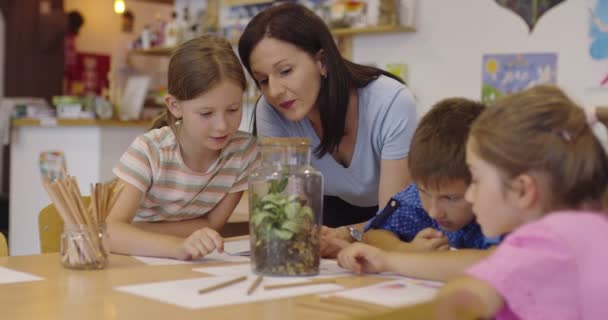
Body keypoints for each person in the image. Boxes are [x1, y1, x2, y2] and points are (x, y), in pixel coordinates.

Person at [237, 3, 418, 242]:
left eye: (285, 71)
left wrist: (346, 235)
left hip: (394, 223)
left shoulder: (392, 102)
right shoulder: (270, 111)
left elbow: (393, 219)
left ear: (321, 61)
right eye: (262, 80)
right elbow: (283, 210)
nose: (275, 91)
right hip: (327, 223)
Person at [433, 85, 608, 319]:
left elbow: (463, 300)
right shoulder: (596, 226)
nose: (469, 195)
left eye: (475, 179)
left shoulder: (542, 241)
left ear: (522, 190)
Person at [107, 35, 259, 260]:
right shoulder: (149, 151)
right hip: (133, 262)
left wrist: (137, 231)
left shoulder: (243, 152)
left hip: (183, 265)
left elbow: (212, 224)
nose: (222, 126)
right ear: (175, 106)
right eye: (206, 113)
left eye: (233, 109)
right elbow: (109, 232)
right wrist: (177, 246)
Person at [336, 98, 500, 281]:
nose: (434, 211)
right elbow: (374, 232)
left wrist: (392, 260)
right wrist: (406, 250)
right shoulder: (417, 198)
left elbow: (498, 262)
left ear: (482, 180)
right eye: (424, 192)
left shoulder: (503, 209)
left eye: (451, 198)